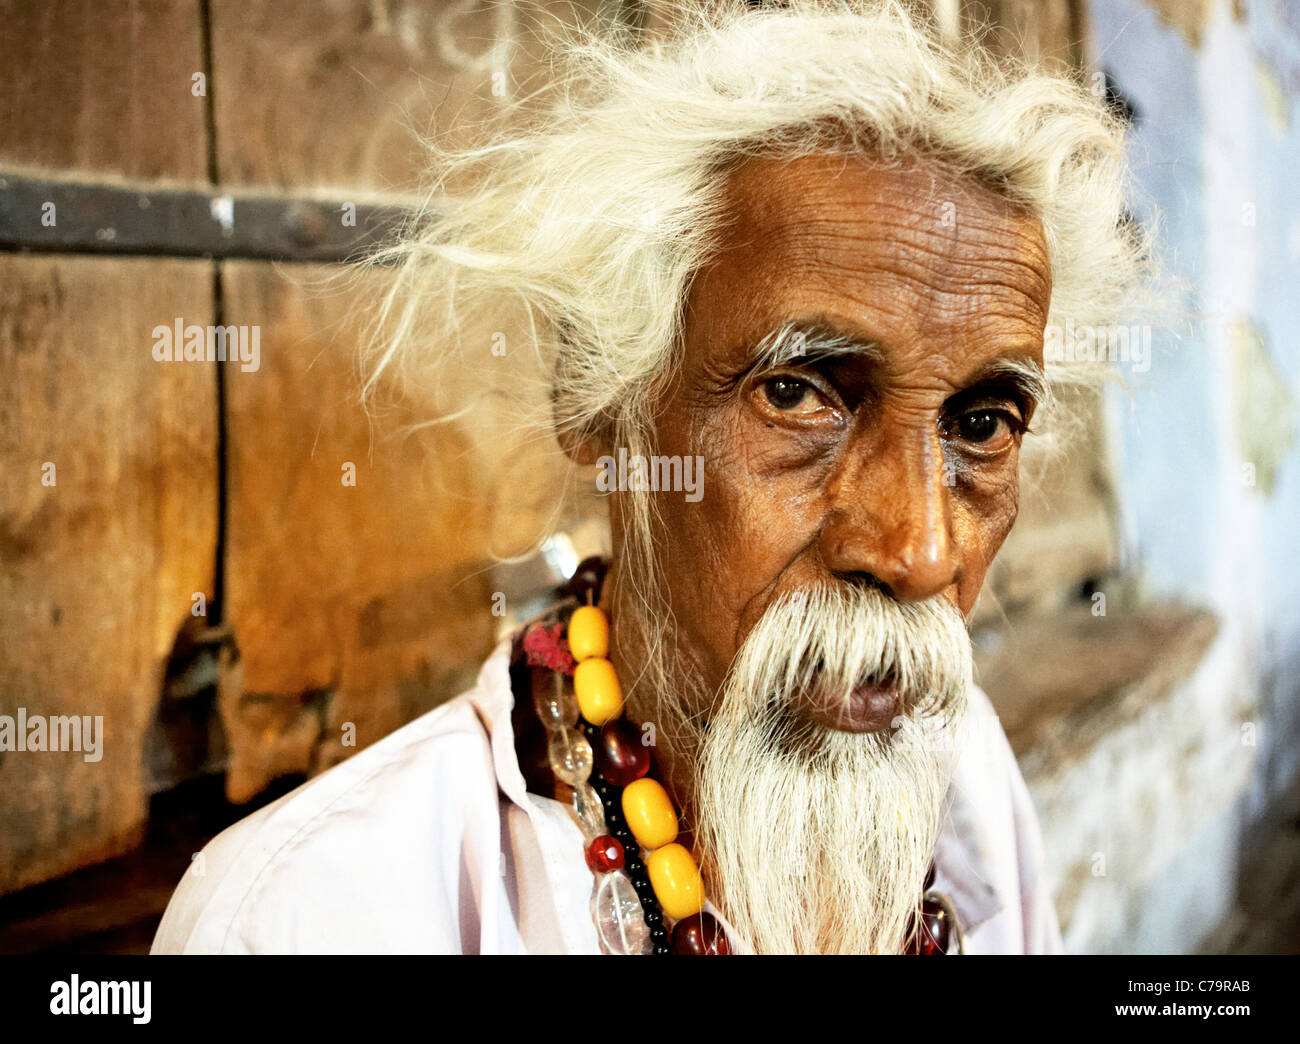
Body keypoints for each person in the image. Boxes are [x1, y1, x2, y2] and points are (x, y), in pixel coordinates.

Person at [154, 0, 1145, 955]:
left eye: (980, 425)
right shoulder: (305, 917)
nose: (922, 552)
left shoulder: (961, 762)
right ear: (597, 396)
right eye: (799, 396)